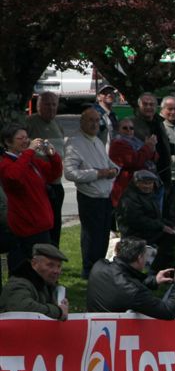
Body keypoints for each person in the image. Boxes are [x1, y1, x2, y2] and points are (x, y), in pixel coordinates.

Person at [64, 108, 119, 279]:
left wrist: (115, 169)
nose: (95, 124)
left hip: (105, 196)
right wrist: (98, 173)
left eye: (97, 120)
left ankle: (99, 267)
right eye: (90, 120)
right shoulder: (75, 142)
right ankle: (88, 270)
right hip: (90, 197)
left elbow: (109, 163)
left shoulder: (97, 141)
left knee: (103, 235)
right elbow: (70, 173)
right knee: (91, 235)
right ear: (82, 122)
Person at [0, 123, 62, 272]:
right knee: (28, 269)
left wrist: (52, 156)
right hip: (27, 228)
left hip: (42, 225)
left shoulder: (29, 161)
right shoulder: (6, 164)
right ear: (8, 142)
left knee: (45, 268)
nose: (26, 141)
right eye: (20, 138)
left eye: (27, 137)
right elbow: (14, 177)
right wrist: (29, 152)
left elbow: (53, 174)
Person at [86, 237, 175, 319]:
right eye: (145, 255)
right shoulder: (134, 292)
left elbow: (122, 284)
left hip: (93, 326)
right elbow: (168, 312)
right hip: (116, 336)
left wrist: (154, 281)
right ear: (139, 258)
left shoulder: (99, 266)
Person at [26, 92, 65, 246]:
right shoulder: (29, 123)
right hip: (39, 185)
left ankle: (54, 259)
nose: (51, 108)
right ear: (38, 106)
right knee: (42, 227)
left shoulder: (58, 125)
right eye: (47, 104)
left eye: (54, 104)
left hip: (56, 183)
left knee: (55, 225)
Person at [0, 243, 69, 320]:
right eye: (50, 265)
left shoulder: (47, 285)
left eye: (59, 266)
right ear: (34, 263)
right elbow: (22, 308)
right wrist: (58, 311)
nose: (56, 271)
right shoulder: (18, 284)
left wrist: (60, 305)